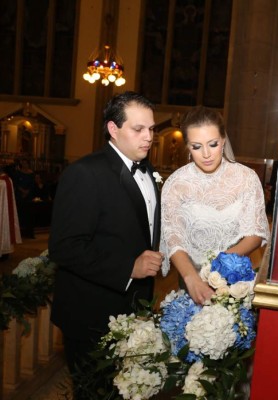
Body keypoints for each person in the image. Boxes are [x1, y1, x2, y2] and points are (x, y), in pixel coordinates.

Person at [48, 91, 163, 398]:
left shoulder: (149, 172)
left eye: (151, 129)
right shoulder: (85, 173)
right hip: (91, 315)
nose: (148, 137)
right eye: (138, 129)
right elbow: (64, 246)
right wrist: (130, 267)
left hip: (133, 309)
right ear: (113, 129)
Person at [160, 106, 270, 304]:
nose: (206, 154)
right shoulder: (176, 184)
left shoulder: (246, 178)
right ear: (187, 146)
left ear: (223, 141)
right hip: (191, 279)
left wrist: (218, 267)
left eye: (212, 144)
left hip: (238, 279)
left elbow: (255, 233)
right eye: (196, 146)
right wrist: (191, 278)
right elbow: (173, 237)